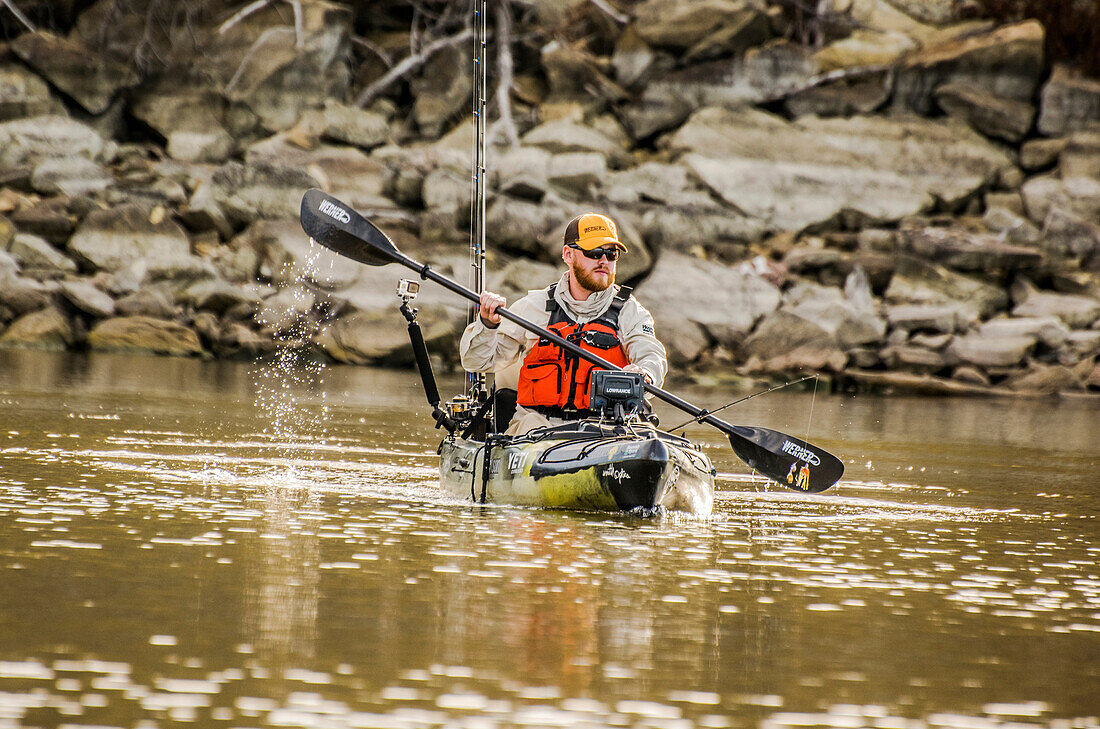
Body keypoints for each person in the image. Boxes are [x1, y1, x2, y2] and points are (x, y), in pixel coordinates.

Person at [460, 212, 667, 435]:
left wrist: (644, 372)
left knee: (643, 436)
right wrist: (487, 324)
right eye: (594, 252)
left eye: (611, 254)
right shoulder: (532, 307)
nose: (604, 261)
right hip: (537, 428)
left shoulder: (632, 313)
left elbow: (651, 356)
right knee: (532, 426)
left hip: (605, 430)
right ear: (568, 255)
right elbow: (476, 362)